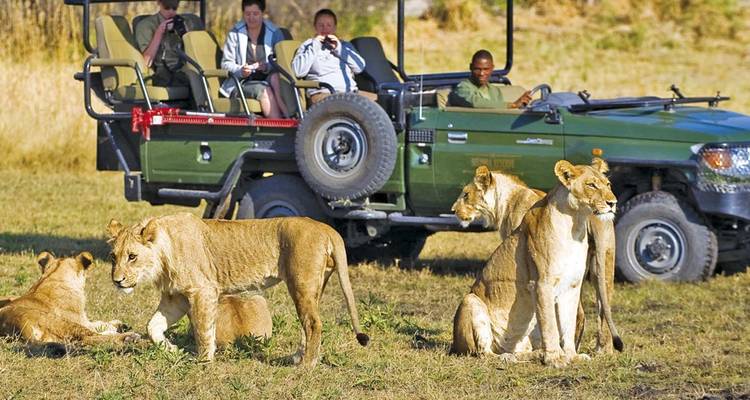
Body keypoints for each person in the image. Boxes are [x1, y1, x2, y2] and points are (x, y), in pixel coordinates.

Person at [292, 9, 377, 105]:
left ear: (334, 28)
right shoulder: (308, 45)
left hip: (351, 93)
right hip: (324, 94)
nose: (325, 29)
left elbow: (360, 67)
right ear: (315, 27)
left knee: (385, 102)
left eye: (329, 25)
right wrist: (314, 47)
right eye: (321, 25)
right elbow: (298, 71)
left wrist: (339, 49)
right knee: (350, 105)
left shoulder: (344, 45)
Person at [220, 0, 288, 118]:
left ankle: (291, 119)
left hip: (268, 78)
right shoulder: (235, 33)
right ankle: (277, 128)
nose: (251, 18)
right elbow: (225, 64)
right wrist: (241, 70)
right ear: (243, 14)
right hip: (241, 83)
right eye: (247, 14)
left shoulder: (275, 32)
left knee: (277, 80)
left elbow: (283, 60)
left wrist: (267, 66)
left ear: (263, 13)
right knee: (264, 90)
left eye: (255, 14)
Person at [135, 0, 200, 87]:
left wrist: (184, 34)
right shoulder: (146, 25)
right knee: (193, 78)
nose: (171, 12)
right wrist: (159, 33)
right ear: (159, 3)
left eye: (174, 8)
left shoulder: (186, 22)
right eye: (167, 8)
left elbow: (197, 54)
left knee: (198, 74)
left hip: (186, 67)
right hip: (163, 71)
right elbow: (146, 61)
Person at [450, 49, 532, 109]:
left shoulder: (494, 91)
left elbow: (500, 113)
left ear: (492, 68)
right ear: (471, 67)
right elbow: (476, 103)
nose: (482, 73)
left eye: (486, 69)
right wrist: (512, 105)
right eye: (477, 69)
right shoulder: (462, 88)